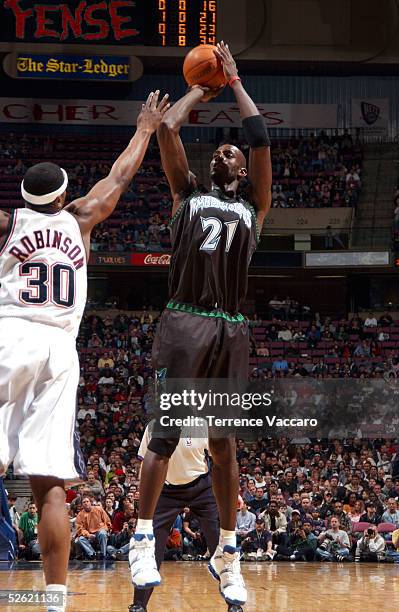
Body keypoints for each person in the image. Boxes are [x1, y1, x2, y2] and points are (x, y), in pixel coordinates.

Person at [0, 91, 169, 612]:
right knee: (49, 484)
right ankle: (54, 600)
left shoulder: (9, 223)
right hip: (59, 350)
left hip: (9, 336)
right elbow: (119, 176)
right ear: (62, 195)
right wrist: (144, 128)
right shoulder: (82, 219)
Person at [129, 41, 272, 609]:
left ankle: (229, 553)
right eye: (224, 150)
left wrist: (234, 82)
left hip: (230, 328)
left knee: (223, 443)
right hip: (186, 319)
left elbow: (259, 136)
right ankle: (142, 540)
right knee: (164, 435)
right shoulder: (186, 194)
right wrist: (199, 88)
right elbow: (166, 128)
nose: (231, 151)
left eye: (235, 152)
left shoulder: (256, 208)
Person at [130, 422, 220, 612]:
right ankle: (139, 605)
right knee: (151, 546)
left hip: (201, 486)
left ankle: (234, 604)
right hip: (166, 490)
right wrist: (142, 495)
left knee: (218, 542)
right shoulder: (154, 426)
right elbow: (146, 463)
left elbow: (220, 461)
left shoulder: (204, 425)